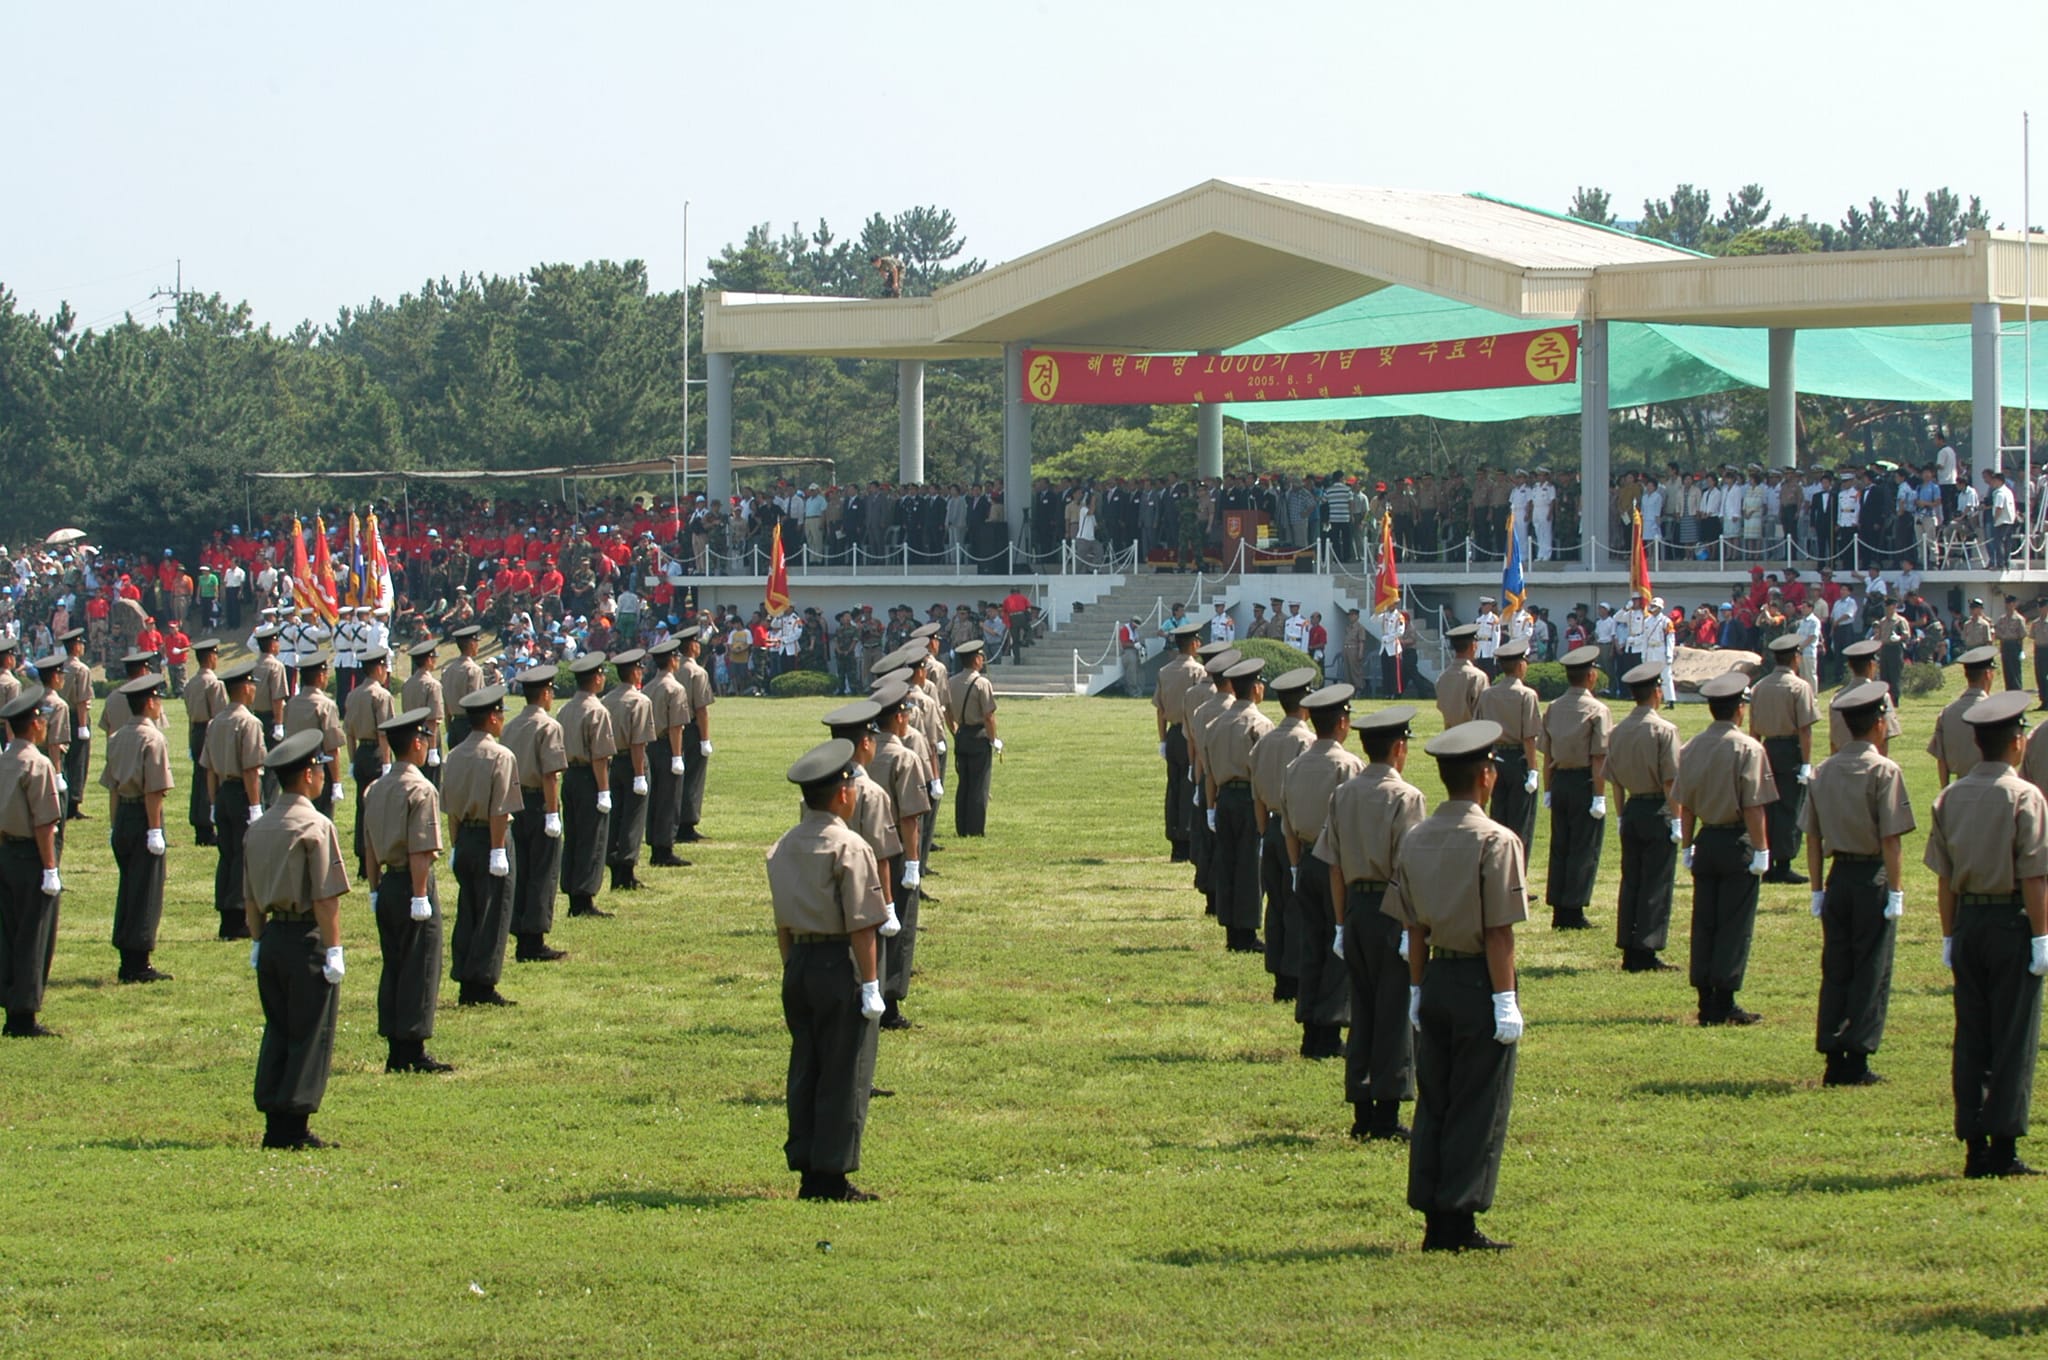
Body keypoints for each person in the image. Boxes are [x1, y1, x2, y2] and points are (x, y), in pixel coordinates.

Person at [1382, 718, 1524, 1253]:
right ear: (1486, 775)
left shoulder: (1417, 838)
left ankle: (1432, 1213)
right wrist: (1505, 1000)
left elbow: (1413, 927)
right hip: (1477, 981)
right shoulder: (1496, 840)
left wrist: (1417, 990)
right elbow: (1497, 931)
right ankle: (1458, 1218)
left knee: (1436, 1099)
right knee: (1477, 1102)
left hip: (1435, 974)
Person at [1925, 689, 2048, 1178]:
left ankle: (1973, 1142)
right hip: (2012, 922)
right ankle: (2003, 1146)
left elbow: (1943, 876)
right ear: (2017, 742)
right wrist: (2042, 937)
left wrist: (1949, 936)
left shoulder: (1950, 796)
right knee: (2013, 1035)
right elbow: (2035, 875)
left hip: (1969, 923)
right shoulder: (2025, 796)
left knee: (1972, 1034)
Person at [769, 738, 889, 1201]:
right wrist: (872, 983)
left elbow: (781, 919)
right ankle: (832, 1175)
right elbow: (861, 923)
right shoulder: (850, 846)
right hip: (839, 962)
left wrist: (792, 967)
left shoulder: (783, 845)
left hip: (798, 960)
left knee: (807, 1066)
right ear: (841, 794)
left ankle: (807, 1164)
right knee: (844, 1071)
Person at [1319, 704, 1425, 1141]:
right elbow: (1410, 870)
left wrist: (1342, 923)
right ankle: (1386, 1108)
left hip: (1357, 911)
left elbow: (1335, 866)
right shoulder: (1406, 797)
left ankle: (1361, 1106)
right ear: (1399, 748)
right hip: (1392, 908)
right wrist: (1409, 928)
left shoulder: (1343, 793)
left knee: (1362, 1010)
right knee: (1394, 1010)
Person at [1804, 680, 1915, 1088]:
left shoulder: (1824, 770)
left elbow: (1812, 837)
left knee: (1836, 966)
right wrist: (1897, 890)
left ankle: (1833, 1052)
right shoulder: (1884, 770)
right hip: (1871, 874)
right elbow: (1891, 838)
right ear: (1879, 724)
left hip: (1837, 878)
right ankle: (1857, 1057)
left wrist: (1817, 888)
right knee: (1871, 969)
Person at [244, 729, 351, 1149]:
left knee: (279, 1028)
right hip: (306, 936)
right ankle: (294, 1125)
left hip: (272, 937)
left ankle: (275, 1119)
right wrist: (335, 949)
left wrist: (256, 940)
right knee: (309, 1031)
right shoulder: (315, 825)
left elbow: (251, 894)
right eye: (319, 769)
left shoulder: (261, 826)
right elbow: (325, 897)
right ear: (307, 774)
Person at [1675, 671, 1776, 1027]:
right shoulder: (1748, 748)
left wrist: (1687, 845)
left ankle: (1706, 1001)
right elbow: (1753, 805)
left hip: (1705, 839)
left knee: (1705, 923)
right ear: (1740, 710)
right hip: (1736, 841)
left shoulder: (1692, 746)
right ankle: (1725, 1000)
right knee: (1733, 925)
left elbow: (1685, 804)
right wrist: (1762, 849)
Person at [361, 706, 452, 1074]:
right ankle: (412, 1048)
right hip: (412, 883)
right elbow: (421, 848)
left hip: (386, 884)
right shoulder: (421, 788)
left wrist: (373, 888)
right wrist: (420, 895)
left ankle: (396, 1045)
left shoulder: (375, 788)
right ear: (416, 743)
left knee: (394, 964)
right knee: (420, 965)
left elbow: (368, 845)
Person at [1279, 682, 1361, 1057]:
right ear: (1342, 723)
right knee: (1338, 948)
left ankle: (1310, 1026)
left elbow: (1287, 823)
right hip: (1336, 865)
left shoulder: (1295, 765)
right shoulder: (1348, 766)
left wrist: (1296, 867)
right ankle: (1328, 1032)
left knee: (1311, 944)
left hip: (1307, 859)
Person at [441, 685, 522, 1007]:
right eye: (500, 714)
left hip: (466, 839)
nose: (502, 720)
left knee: (469, 910)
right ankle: (483, 983)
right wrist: (499, 849)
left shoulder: (455, 755)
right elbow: (499, 808)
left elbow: (451, 809)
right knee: (494, 912)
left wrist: (454, 845)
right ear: (491, 718)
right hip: (492, 838)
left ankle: (465, 976)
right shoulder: (501, 756)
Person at [1606, 661, 1683, 973]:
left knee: (1632, 881)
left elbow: (1614, 780)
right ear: (1657, 693)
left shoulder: (1618, 731)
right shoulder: (1664, 730)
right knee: (1656, 883)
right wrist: (1677, 819)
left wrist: (1621, 814)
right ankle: (1647, 949)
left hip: (1633, 808)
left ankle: (1629, 945)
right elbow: (1670, 781)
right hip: (1657, 808)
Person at [1, 684, 65, 1038]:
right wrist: (50, 869)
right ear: (36, 724)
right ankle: (24, 1014)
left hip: (6, 853)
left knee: (9, 933)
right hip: (30, 856)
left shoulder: (4, 760)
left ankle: (12, 1005)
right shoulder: (37, 764)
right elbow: (44, 824)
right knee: (33, 936)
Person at [1248, 667, 1316, 1003]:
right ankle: (1294, 976)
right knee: (1297, 907)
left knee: (1275, 904)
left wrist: (1263, 833)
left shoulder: (1267, 739)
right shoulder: (1307, 742)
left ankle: (1278, 974)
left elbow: (1257, 792)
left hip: (1272, 828)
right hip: (1297, 833)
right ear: (1306, 705)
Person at [865, 679, 930, 1030]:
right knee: (898, 927)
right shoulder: (903, 756)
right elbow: (910, 818)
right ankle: (890, 1001)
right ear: (901, 718)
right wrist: (914, 862)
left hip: (860, 853)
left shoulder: (861, 753)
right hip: (893, 853)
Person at [101, 672, 174, 984]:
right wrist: (155, 829)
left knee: (129, 888)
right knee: (146, 891)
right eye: (157, 699)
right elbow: (154, 790)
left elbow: (113, 787)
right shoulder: (152, 738)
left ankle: (126, 957)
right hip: (145, 817)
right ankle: (138, 963)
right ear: (150, 702)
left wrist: (114, 824)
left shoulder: (117, 737)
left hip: (125, 817)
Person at [1540, 646, 1611, 931]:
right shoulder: (1597, 709)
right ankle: (1574, 909)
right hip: (1584, 781)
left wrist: (1547, 789)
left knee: (1560, 845)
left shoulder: (1554, 707)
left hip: (1559, 780)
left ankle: (1559, 907)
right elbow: (1598, 757)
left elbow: (1547, 754)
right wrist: (1599, 795)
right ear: (1591, 676)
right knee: (1584, 847)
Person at [1204, 658, 1272, 955]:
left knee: (1228, 863)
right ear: (1256, 688)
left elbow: (1208, 771)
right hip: (1249, 797)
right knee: (1248, 866)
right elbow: (1265, 771)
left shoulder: (1215, 722)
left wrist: (1210, 806)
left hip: (1224, 798)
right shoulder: (1260, 723)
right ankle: (1245, 932)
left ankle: (1232, 929)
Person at [502, 663, 569, 963]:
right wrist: (552, 813)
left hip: (515, 803)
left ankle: (519, 930)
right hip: (541, 803)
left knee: (523, 869)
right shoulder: (549, 727)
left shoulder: (511, 726)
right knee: (543, 872)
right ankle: (534, 939)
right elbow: (550, 775)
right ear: (545, 693)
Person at [206, 660, 267, 941]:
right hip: (243, 793)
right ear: (244, 688)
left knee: (227, 855)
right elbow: (251, 769)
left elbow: (208, 768)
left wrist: (212, 803)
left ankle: (226, 916)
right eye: (252, 685)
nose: (254, 690)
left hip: (222, 792)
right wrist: (256, 807)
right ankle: (239, 915)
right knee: (244, 857)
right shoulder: (249, 722)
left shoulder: (216, 721)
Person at [1751, 636, 1820, 885]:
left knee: (1767, 806)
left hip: (1766, 748)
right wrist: (1806, 762)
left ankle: (1766, 859)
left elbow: (1754, 728)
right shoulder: (1799, 687)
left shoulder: (1760, 687)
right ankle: (1784, 863)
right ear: (1795, 658)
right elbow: (1805, 729)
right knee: (1790, 807)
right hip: (1790, 749)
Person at [557, 653, 618, 919]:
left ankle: (572, 891)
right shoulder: (597, 710)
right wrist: (603, 790)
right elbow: (600, 755)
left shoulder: (565, 708)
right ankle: (584, 897)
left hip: (569, 776)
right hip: (589, 778)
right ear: (596, 678)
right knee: (592, 838)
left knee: (573, 835)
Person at [1475, 639, 1540, 872]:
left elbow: (1479, 729)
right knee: (1520, 824)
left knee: (1497, 819)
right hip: (1518, 760)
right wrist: (1533, 770)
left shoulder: (1488, 695)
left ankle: (1496, 871)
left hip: (1494, 759)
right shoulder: (1527, 695)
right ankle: (1516, 878)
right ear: (1520, 665)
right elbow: (1529, 737)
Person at [601, 650, 654, 894]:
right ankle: (627, 869)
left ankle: (614, 867)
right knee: (633, 818)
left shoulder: (606, 700)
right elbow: (638, 743)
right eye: (640, 668)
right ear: (634, 672)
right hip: (633, 762)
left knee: (616, 816)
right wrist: (640, 774)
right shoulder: (639, 701)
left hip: (611, 763)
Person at [1154, 622, 1207, 864]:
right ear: (1193, 643)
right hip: (1191, 735)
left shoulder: (1165, 671)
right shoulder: (1198, 672)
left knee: (1173, 787)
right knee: (1190, 787)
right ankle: (1186, 840)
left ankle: (1175, 840)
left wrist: (1162, 739)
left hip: (1173, 734)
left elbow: (1160, 710)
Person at [643, 638, 693, 868]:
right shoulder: (675, 688)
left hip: (649, 746)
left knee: (654, 798)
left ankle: (654, 841)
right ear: (673, 661)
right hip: (666, 746)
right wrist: (676, 756)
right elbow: (676, 726)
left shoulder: (648, 687)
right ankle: (664, 848)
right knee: (669, 798)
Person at [945, 640, 1000, 836]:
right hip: (978, 735)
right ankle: (976, 829)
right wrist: (994, 739)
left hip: (962, 734)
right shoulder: (982, 683)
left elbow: (947, 712)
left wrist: (954, 730)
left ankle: (962, 827)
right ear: (976, 659)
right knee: (979, 785)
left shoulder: (951, 682)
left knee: (964, 784)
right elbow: (988, 716)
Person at [283, 652, 346, 822]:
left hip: (294, 768)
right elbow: (332, 747)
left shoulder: (291, 704)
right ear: (320, 676)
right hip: (317, 767)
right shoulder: (325, 705)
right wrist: (336, 782)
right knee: (321, 819)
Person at [1930, 646, 1998, 787]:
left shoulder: (1947, 712)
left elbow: (1941, 760)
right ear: (1988, 674)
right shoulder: (1997, 712)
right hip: (1991, 786)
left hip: (1959, 787)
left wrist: (1945, 792)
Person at [183, 639, 225, 847]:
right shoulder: (214, 683)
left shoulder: (191, 683)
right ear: (210, 657)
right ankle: (208, 823)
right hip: (210, 731)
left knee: (198, 779)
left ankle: (199, 823)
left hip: (196, 732)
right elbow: (219, 715)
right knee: (211, 779)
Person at [676, 626, 716, 844]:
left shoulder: (673, 668)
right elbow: (701, 709)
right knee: (693, 777)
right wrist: (705, 739)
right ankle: (687, 823)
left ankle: (674, 820)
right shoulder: (697, 672)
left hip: (672, 728)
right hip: (691, 728)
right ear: (691, 646)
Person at [1829, 640, 1903, 754]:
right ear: (1872, 665)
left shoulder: (1836, 699)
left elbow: (1833, 742)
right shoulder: (1881, 697)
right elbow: (1883, 740)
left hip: (1842, 761)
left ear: (1849, 665)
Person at [57, 629, 92, 820]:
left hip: (61, 715)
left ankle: (63, 799)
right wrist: (83, 725)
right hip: (76, 716)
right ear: (77, 646)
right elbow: (82, 699)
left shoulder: (61, 666)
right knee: (78, 761)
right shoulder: (81, 669)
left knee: (63, 760)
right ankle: (74, 804)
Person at [441, 626, 487, 746]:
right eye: (476, 642)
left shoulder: (448, 671)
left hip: (454, 724)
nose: (478, 646)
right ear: (472, 644)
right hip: (470, 725)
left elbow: (446, 704)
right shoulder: (473, 670)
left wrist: (448, 727)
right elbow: (476, 703)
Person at [1435, 625, 1486, 729]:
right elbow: (1484, 712)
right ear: (1473, 646)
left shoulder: (1442, 678)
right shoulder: (1477, 677)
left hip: (1450, 735)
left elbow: (1441, 706)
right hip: (1473, 737)